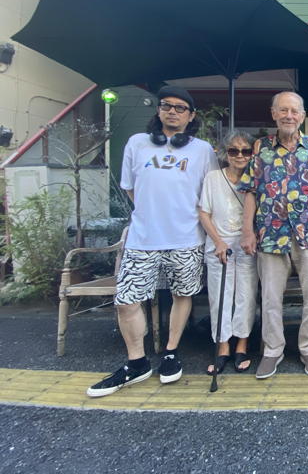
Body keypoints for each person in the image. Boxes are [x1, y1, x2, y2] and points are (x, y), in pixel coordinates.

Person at [87, 85, 217, 398]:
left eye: (180, 108)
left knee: (182, 294)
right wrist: (152, 211)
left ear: (191, 116)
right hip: (142, 237)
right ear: (158, 110)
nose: (172, 111)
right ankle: (137, 362)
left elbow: (211, 192)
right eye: (166, 105)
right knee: (126, 300)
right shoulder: (137, 143)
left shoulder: (203, 150)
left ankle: (171, 352)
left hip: (187, 237)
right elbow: (130, 188)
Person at [240, 91, 308, 379]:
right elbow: (250, 191)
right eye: (283, 110)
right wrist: (247, 231)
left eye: (294, 111)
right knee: (270, 297)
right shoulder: (260, 148)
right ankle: (272, 351)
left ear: (303, 116)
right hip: (271, 232)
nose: (289, 116)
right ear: (273, 114)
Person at [198, 130, 258, 375]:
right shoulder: (213, 178)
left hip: (247, 244)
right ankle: (222, 346)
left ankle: (242, 344)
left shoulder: (256, 179)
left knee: (246, 295)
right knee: (220, 296)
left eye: (246, 151)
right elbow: (204, 213)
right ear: (225, 153)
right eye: (234, 150)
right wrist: (218, 241)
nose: (240, 155)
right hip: (219, 244)